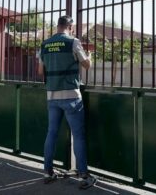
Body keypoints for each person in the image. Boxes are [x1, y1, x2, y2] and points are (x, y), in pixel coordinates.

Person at [38, 15, 96, 190]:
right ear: (70, 27)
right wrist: (90, 56)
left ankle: (48, 172)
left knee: (52, 133)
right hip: (71, 95)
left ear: (58, 26)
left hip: (52, 96)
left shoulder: (45, 44)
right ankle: (84, 175)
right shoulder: (73, 42)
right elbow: (86, 65)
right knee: (78, 135)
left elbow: (40, 71)